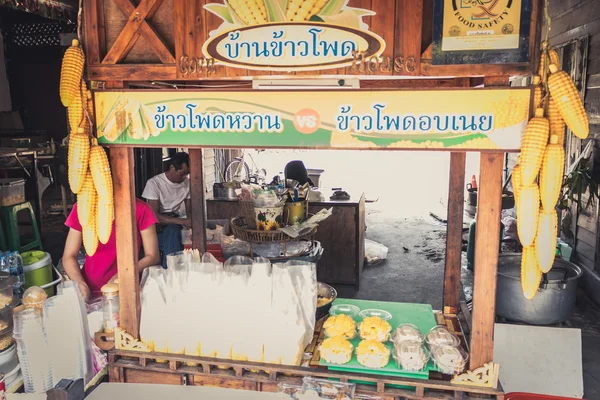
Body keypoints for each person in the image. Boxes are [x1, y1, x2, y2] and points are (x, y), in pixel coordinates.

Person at [62, 198, 159, 302]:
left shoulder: (141, 209)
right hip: (89, 288)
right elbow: (69, 256)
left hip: (127, 288)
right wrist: (81, 284)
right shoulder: (82, 209)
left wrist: (124, 274)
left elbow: (153, 256)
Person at [142, 152, 191, 268]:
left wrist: (190, 225)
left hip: (175, 222)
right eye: (182, 174)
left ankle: (168, 271)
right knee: (173, 234)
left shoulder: (187, 184)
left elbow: (191, 212)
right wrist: (184, 222)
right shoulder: (154, 183)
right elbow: (155, 217)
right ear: (172, 168)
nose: (184, 177)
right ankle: (171, 270)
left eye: (187, 174)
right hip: (156, 226)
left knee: (173, 237)